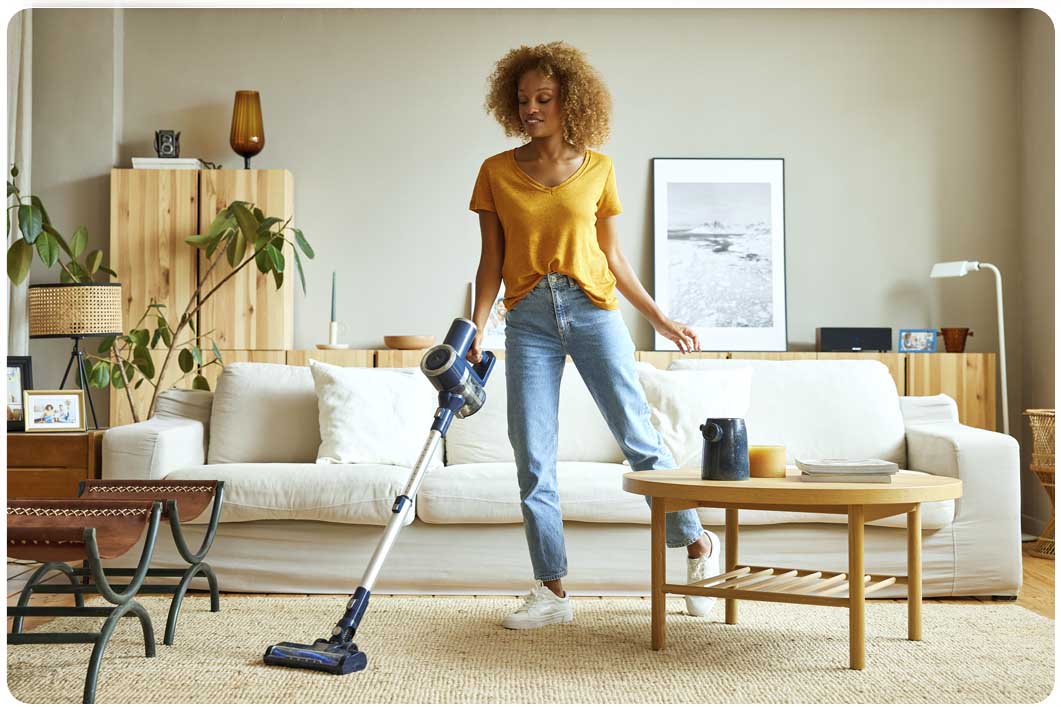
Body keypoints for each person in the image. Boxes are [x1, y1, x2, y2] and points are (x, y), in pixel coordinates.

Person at [467, 41, 719, 630]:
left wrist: (658, 318)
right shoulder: (496, 172)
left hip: (593, 310)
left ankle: (698, 547)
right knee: (532, 455)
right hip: (527, 318)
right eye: (524, 99)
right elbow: (489, 262)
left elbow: (613, 256)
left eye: (544, 99)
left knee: (639, 437)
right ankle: (551, 590)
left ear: (569, 102)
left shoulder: (599, 168)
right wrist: (475, 330)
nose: (532, 109)